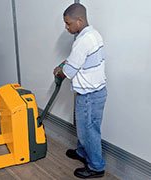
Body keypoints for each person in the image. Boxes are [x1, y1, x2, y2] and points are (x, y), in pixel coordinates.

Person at [53, 3, 107, 179]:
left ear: (79, 20)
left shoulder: (82, 41)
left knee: (89, 131)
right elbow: (77, 61)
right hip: (94, 92)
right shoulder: (93, 34)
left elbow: (68, 72)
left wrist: (59, 70)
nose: (66, 27)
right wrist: (66, 64)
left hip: (89, 95)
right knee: (85, 128)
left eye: (68, 24)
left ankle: (96, 167)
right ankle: (83, 153)